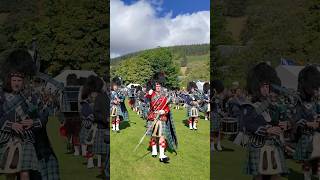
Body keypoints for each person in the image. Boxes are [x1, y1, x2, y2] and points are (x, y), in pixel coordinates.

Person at [0, 49, 42, 180]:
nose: (17, 83)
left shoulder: (29, 97)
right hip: (7, 137)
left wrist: (33, 122)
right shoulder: (2, 97)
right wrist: (10, 125)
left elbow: (41, 115)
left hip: (25, 138)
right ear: (9, 80)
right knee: (10, 172)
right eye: (14, 80)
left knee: (25, 172)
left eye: (19, 80)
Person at [242, 62, 288, 180]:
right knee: (259, 177)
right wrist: (267, 130)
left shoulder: (272, 106)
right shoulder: (249, 105)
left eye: (268, 86)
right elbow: (248, 123)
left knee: (274, 176)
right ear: (256, 86)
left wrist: (284, 124)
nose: (266, 89)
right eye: (263, 86)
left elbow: (274, 121)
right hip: (258, 145)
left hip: (273, 144)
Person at [293, 65, 320, 180]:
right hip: (305, 135)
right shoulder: (299, 100)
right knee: (307, 162)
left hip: (317, 135)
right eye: (313, 87)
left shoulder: (315, 101)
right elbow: (296, 118)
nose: (315, 90)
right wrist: (308, 124)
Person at [145, 72, 178, 163]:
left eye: (159, 84)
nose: (158, 86)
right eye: (156, 84)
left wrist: (164, 111)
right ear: (154, 85)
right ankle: (154, 150)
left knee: (162, 136)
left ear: (161, 84)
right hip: (153, 117)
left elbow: (169, 105)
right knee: (153, 135)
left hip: (162, 117)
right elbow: (145, 99)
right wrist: (149, 93)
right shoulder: (151, 93)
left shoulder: (165, 93)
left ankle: (162, 155)